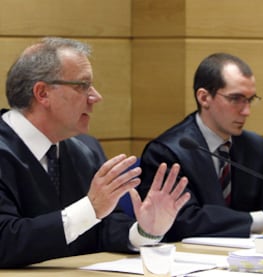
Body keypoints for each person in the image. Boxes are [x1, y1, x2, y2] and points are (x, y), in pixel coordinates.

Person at [0, 37, 190, 268]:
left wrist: (145, 231)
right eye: (82, 86)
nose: (95, 97)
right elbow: (6, 241)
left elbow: (103, 227)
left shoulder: (85, 149)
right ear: (42, 93)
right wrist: (90, 208)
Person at [138, 53, 263, 242]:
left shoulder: (253, 146)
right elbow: (182, 220)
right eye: (236, 99)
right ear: (204, 97)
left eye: (250, 100)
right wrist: (259, 222)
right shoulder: (168, 151)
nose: (247, 111)